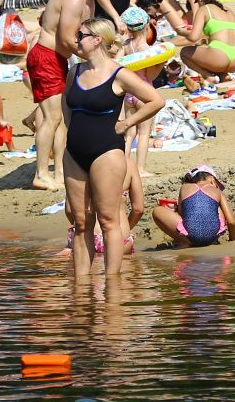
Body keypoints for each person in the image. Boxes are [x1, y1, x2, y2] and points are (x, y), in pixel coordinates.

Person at [64, 18, 164, 277]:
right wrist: (72, 135)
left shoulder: (118, 73)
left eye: (81, 35)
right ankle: (81, 286)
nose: (76, 40)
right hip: (74, 153)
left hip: (106, 151)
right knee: (81, 222)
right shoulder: (74, 72)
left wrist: (128, 123)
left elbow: (156, 100)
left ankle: (112, 285)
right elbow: (68, 107)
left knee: (108, 221)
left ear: (97, 39)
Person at [152, 164, 235, 248]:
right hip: (212, 237)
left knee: (157, 211)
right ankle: (209, 240)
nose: (217, 187)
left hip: (191, 236)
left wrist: (174, 210)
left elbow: (182, 214)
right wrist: (232, 240)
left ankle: (184, 241)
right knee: (217, 206)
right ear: (212, 179)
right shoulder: (218, 192)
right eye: (217, 184)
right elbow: (231, 222)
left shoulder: (184, 187)